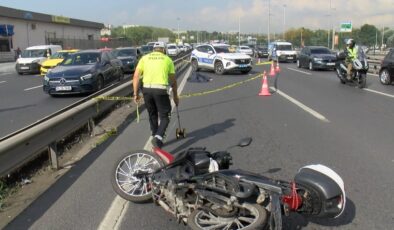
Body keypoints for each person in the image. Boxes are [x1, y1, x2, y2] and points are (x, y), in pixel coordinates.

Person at [133, 42, 179, 148]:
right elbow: (173, 81)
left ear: (153, 49)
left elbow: (136, 77)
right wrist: (175, 96)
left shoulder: (144, 58)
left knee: (152, 114)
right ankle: (158, 137)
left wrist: (136, 94)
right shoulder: (167, 59)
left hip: (147, 90)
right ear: (163, 50)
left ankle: (154, 135)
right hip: (160, 90)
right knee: (165, 116)